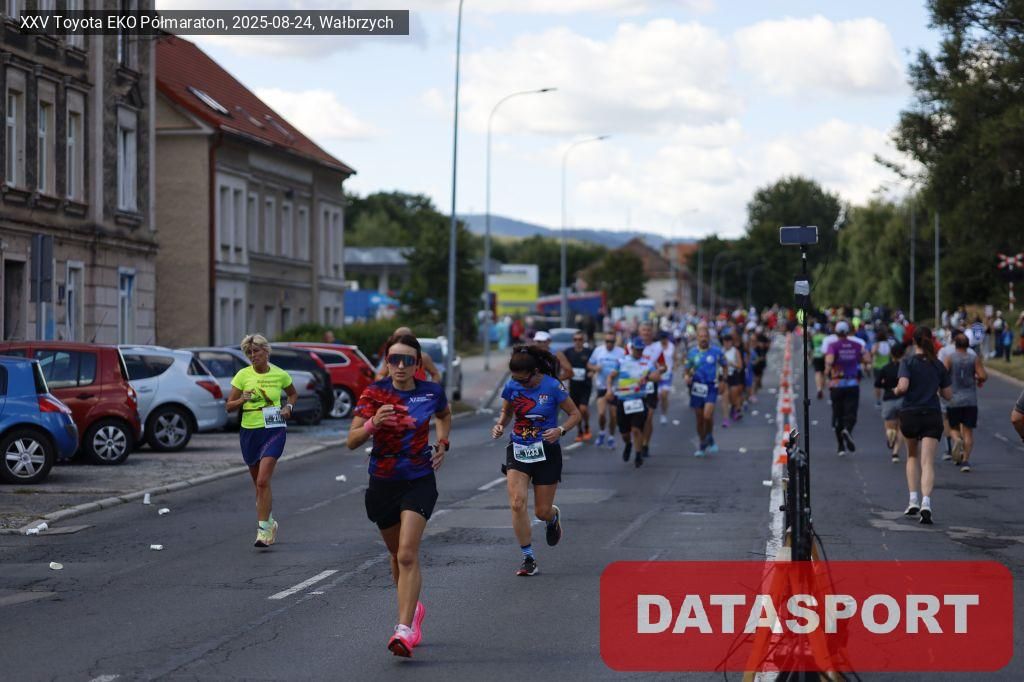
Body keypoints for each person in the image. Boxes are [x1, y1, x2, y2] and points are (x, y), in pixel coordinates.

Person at [347, 334, 452, 657]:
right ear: (387, 362)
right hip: (382, 482)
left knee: (407, 554)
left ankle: (403, 629)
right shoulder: (374, 393)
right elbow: (351, 441)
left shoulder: (431, 392)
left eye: (408, 360)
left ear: (418, 364)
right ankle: (413, 608)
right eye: (395, 359)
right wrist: (372, 424)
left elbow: (444, 415)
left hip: (418, 480)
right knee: (395, 556)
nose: (401, 366)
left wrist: (443, 443)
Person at [491, 345, 581, 576]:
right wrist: (500, 425)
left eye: (525, 380)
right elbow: (507, 412)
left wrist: (560, 430)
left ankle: (552, 518)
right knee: (517, 502)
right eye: (516, 379)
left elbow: (575, 414)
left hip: (547, 450)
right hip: (519, 447)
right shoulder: (512, 385)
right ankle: (528, 558)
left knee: (541, 512)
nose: (521, 384)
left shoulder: (552, 386)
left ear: (536, 372)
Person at [225, 334, 299, 548]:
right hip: (250, 432)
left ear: (266, 351)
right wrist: (242, 399)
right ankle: (270, 521)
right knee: (258, 485)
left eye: (256, 351)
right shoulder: (242, 375)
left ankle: (263, 531)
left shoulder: (280, 374)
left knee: (262, 481)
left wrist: (288, 407)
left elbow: (292, 394)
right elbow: (229, 406)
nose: (252, 355)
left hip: (274, 429)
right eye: (249, 352)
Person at [894, 326, 952, 525]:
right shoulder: (938, 364)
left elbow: (903, 386)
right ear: (931, 340)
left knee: (912, 456)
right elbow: (948, 395)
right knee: (927, 462)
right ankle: (926, 502)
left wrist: (896, 390)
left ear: (913, 341)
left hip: (911, 414)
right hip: (932, 414)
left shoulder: (907, 362)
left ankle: (913, 500)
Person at [605, 337, 654, 467]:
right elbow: (610, 377)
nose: (639, 352)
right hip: (623, 401)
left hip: (639, 400)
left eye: (641, 350)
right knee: (625, 433)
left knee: (636, 429)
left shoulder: (647, 362)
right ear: (632, 348)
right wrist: (609, 390)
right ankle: (628, 444)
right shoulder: (621, 361)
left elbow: (657, 376)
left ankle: (638, 455)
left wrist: (648, 377)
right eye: (637, 350)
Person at [824, 320, 870, 456]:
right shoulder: (857, 345)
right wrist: (857, 359)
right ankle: (847, 429)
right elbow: (867, 358)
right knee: (851, 413)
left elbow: (829, 361)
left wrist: (827, 372)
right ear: (848, 331)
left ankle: (840, 447)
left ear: (836, 332)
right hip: (852, 383)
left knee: (838, 414)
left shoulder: (833, 345)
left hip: (837, 384)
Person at [944, 332, 987, 473]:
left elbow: (942, 375)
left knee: (953, 428)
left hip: (953, 399)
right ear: (968, 345)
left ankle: (957, 440)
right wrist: (978, 379)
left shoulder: (950, 358)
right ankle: (965, 461)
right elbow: (983, 375)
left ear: (955, 344)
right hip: (970, 400)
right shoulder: (974, 358)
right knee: (968, 432)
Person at [684, 325, 727, 457]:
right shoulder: (692, 353)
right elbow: (686, 370)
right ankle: (703, 441)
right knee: (699, 418)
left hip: (711, 386)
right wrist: (687, 377)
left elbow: (725, 366)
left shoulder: (716, 351)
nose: (703, 339)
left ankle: (707, 438)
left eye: (705, 336)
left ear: (709, 337)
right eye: (701, 336)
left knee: (707, 415)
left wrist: (723, 381)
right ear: (697, 338)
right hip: (697, 387)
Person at [588, 332, 626, 449]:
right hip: (602, 386)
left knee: (613, 415)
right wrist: (595, 368)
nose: (609, 344)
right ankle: (602, 432)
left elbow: (626, 366)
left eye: (612, 342)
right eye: (607, 341)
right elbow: (589, 364)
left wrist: (619, 372)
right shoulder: (598, 351)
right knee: (601, 414)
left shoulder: (621, 352)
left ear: (615, 342)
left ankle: (611, 437)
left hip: (615, 388)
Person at [874, 341, 906, 462]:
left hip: (888, 398)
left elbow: (877, 383)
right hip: (903, 399)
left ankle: (890, 434)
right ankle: (895, 452)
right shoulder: (905, 368)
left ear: (891, 354)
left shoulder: (885, 368)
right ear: (903, 354)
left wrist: (886, 385)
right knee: (901, 427)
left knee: (889, 424)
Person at [375, 326, 442, 383]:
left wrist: (428, 388)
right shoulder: (390, 356)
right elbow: (379, 376)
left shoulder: (423, 357)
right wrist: (388, 384)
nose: (401, 340)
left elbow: (436, 375)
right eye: (398, 337)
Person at [562, 331, 594, 442]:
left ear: (583, 340)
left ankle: (587, 426)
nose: (577, 341)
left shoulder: (589, 352)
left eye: (580, 339)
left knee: (583, 408)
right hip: (573, 385)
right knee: (576, 411)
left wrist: (592, 372)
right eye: (575, 339)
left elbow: (594, 364)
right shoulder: (568, 352)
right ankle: (580, 431)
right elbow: (561, 361)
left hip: (585, 385)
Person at [721, 332, 745, 427]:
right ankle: (726, 419)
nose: (727, 343)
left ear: (731, 342)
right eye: (725, 342)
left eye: (729, 341)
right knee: (725, 396)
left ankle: (734, 408)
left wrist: (731, 363)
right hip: (723, 375)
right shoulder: (720, 351)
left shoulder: (735, 351)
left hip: (733, 375)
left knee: (734, 394)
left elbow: (740, 366)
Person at [654, 331, 676, 425]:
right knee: (658, 396)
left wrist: (674, 366)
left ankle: (664, 414)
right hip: (657, 374)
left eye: (665, 338)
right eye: (662, 338)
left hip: (668, 374)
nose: (663, 340)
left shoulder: (671, 346)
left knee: (664, 395)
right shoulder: (656, 346)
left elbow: (674, 358)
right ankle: (660, 407)